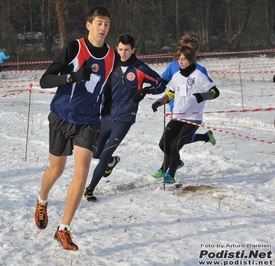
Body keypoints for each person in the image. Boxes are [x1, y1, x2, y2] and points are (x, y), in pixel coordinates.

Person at [34, 6, 119, 251]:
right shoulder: (75, 48)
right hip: (62, 116)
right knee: (56, 170)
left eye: (107, 24)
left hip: (89, 121)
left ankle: (64, 229)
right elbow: (44, 80)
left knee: (81, 172)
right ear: (89, 24)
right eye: (99, 23)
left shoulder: (112, 55)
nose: (103, 28)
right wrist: (71, 77)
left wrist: (107, 111)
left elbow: (107, 85)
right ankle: (42, 201)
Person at [83, 34, 166, 202]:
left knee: (104, 155)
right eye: (120, 49)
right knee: (96, 153)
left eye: (126, 50)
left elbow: (161, 84)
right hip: (105, 116)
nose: (123, 53)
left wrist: (145, 91)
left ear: (133, 50)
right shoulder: (110, 65)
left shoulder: (140, 68)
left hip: (125, 118)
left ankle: (90, 189)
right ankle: (112, 162)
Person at [151, 45, 220, 184]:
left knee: (175, 145)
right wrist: (160, 101)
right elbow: (171, 93)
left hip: (193, 119)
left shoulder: (199, 76)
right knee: (163, 144)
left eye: (183, 59)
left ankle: (170, 174)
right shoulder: (176, 76)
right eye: (179, 59)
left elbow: (215, 92)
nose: (180, 62)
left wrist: (204, 95)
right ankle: (176, 162)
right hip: (177, 117)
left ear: (190, 59)